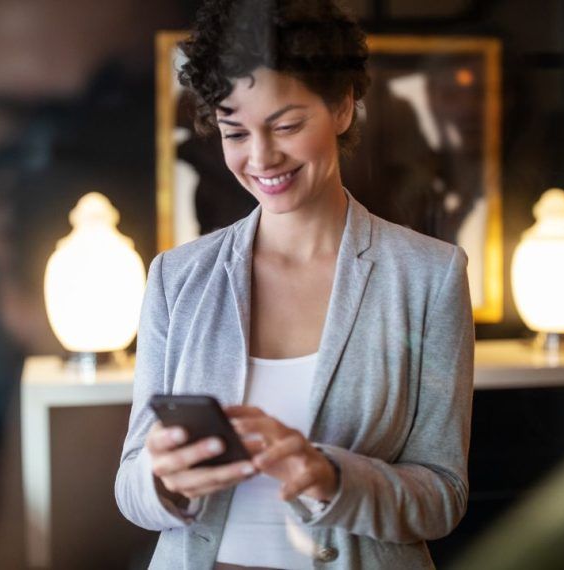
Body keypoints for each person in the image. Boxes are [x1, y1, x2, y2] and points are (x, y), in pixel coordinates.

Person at [115, 0, 475, 568]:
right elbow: (131, 488)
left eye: (286, 125)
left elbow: (442, 497)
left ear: (343, 107)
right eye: (235, 132)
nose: (261, 157)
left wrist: (331, 477)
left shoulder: (429, 275)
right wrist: (161, 478)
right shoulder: (176, 278)